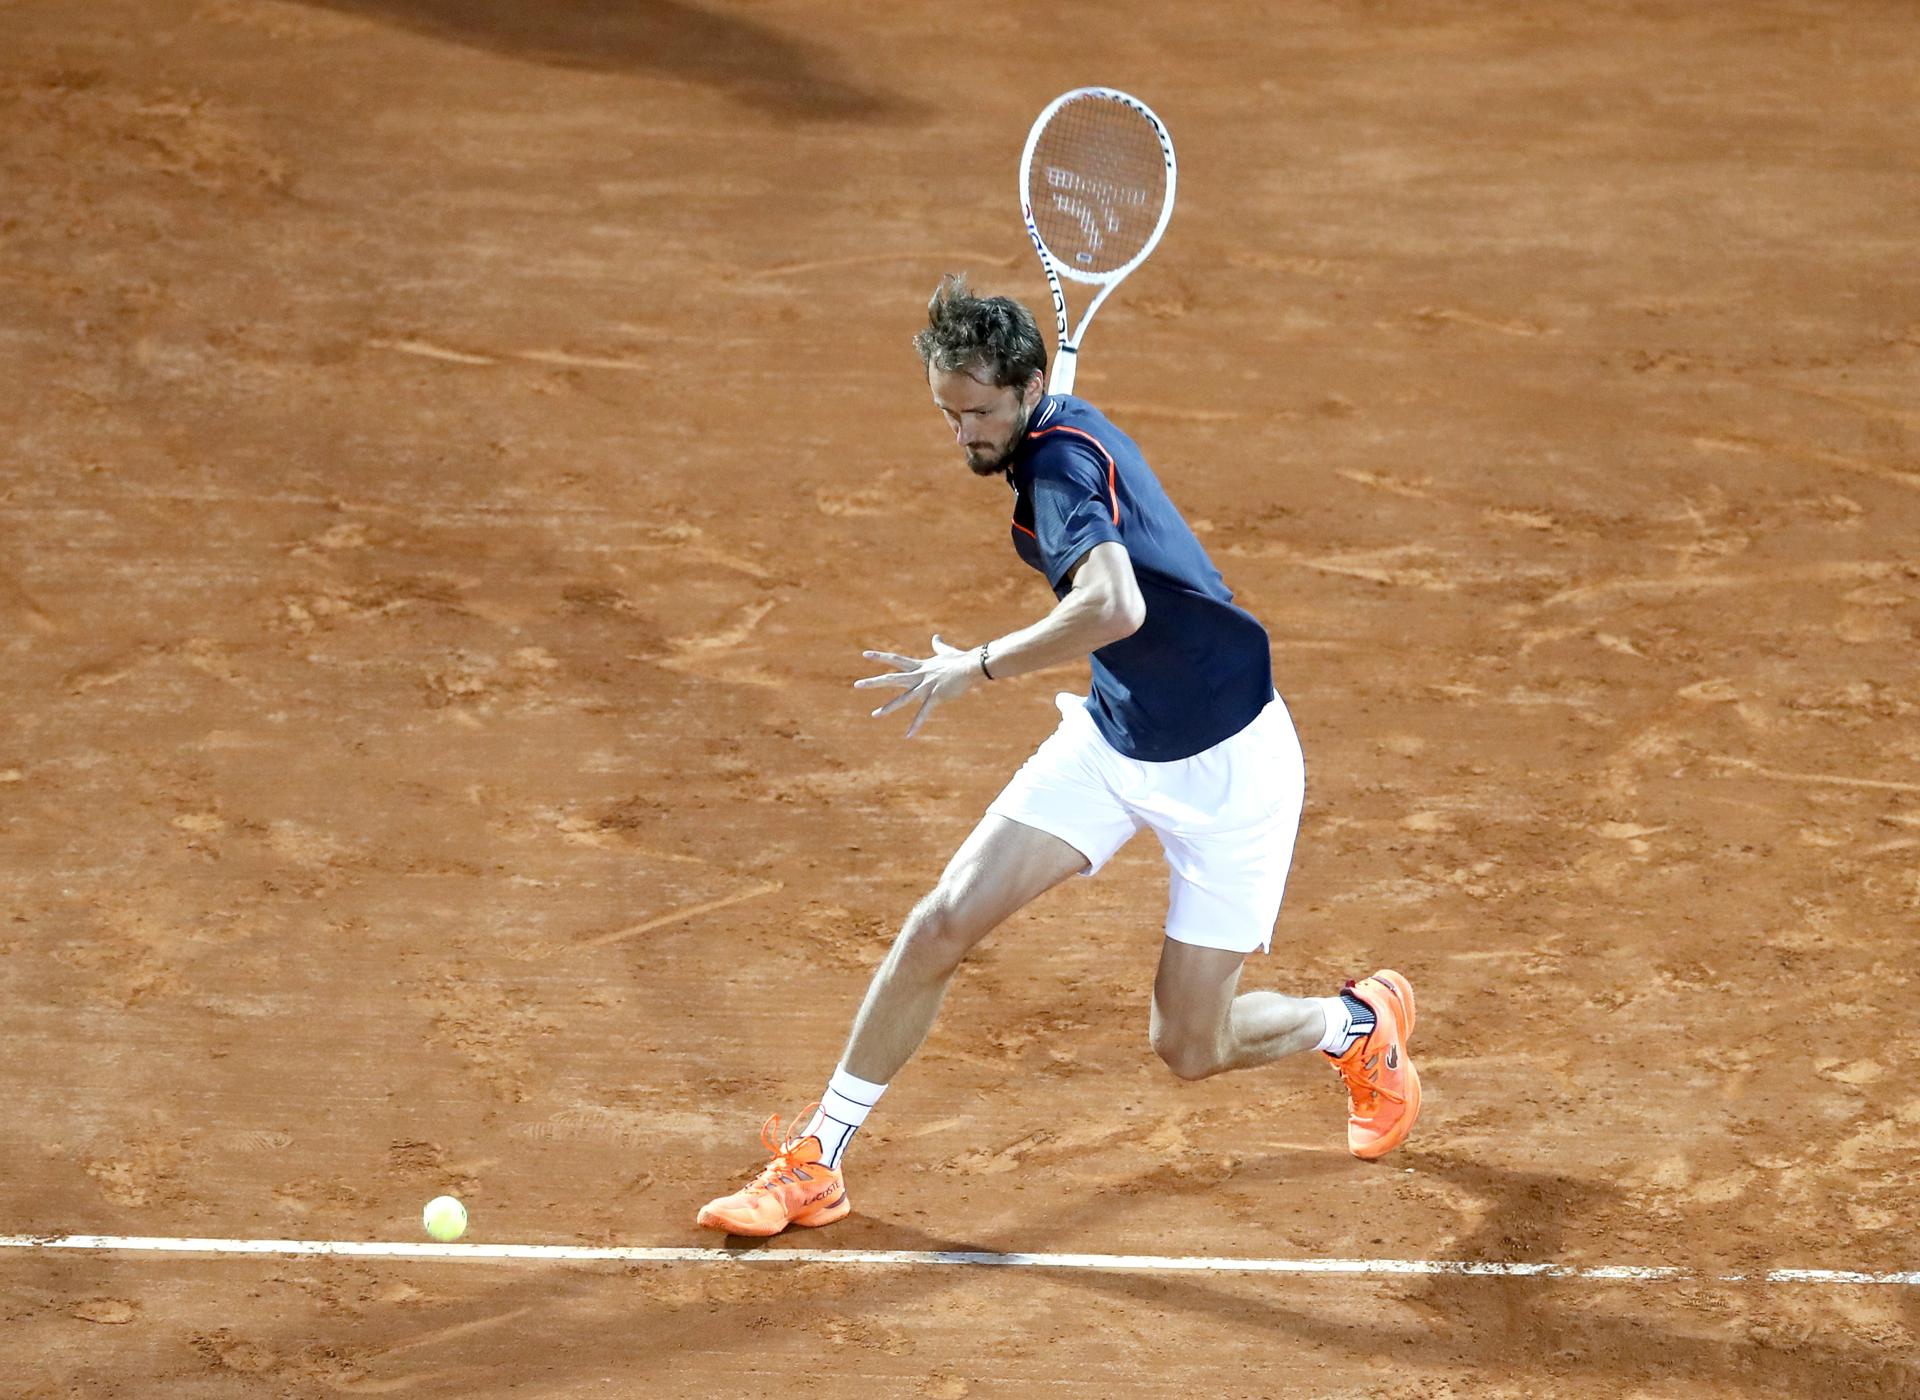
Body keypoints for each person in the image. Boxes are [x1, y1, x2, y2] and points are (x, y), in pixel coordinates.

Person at [695, 275, 1420, 1237]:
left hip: (1229, 768)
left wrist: (979, 666)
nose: (964, 435)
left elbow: (1116, 605)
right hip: (1114, 738)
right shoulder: (1049, 437)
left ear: (1032, 384)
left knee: (1189, 1044)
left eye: (981, 413)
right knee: (941, 923)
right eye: (948, 416)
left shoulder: (1058, 467)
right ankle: (816, 1161)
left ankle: (1354, 1027)